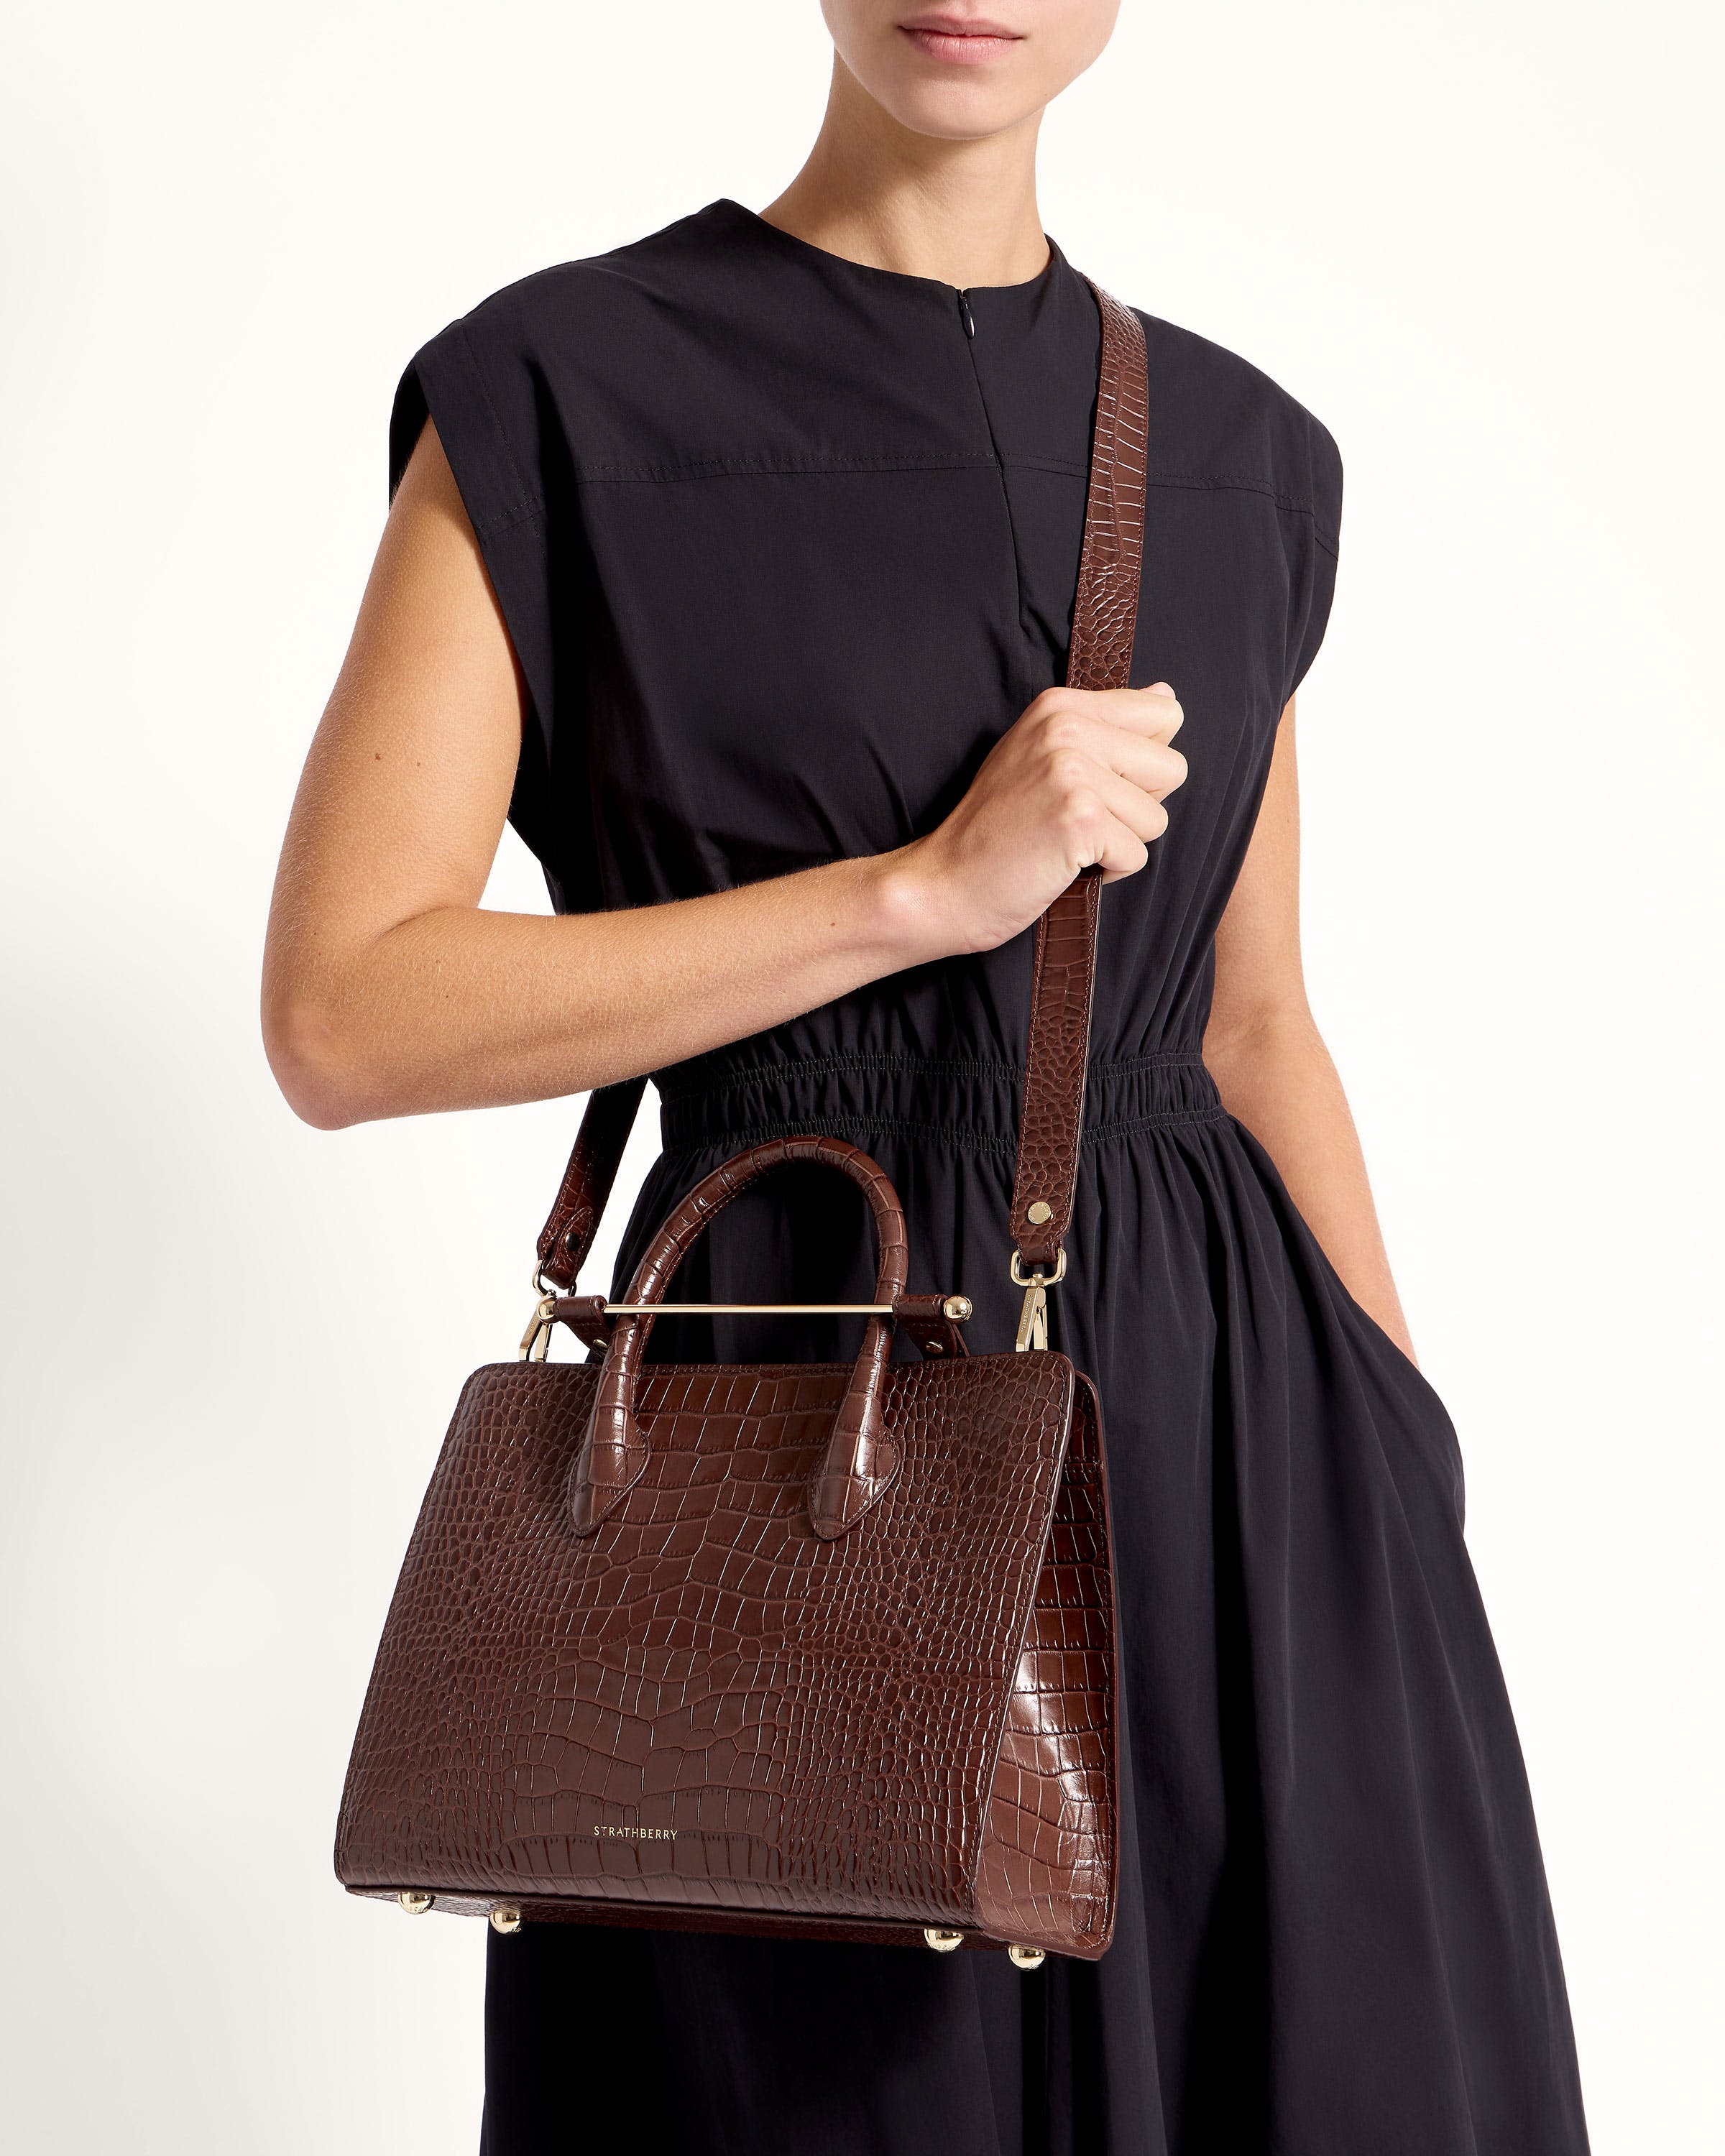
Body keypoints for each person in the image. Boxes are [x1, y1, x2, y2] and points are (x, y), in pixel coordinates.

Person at [262, 4, 1591, 2150]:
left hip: (1247, 1463)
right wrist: (913, 895)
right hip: (801, 1440)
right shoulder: (558, 394)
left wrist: (1398, 1453)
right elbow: (343, 1010)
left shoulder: (1248, 455)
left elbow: (1254, 1022)